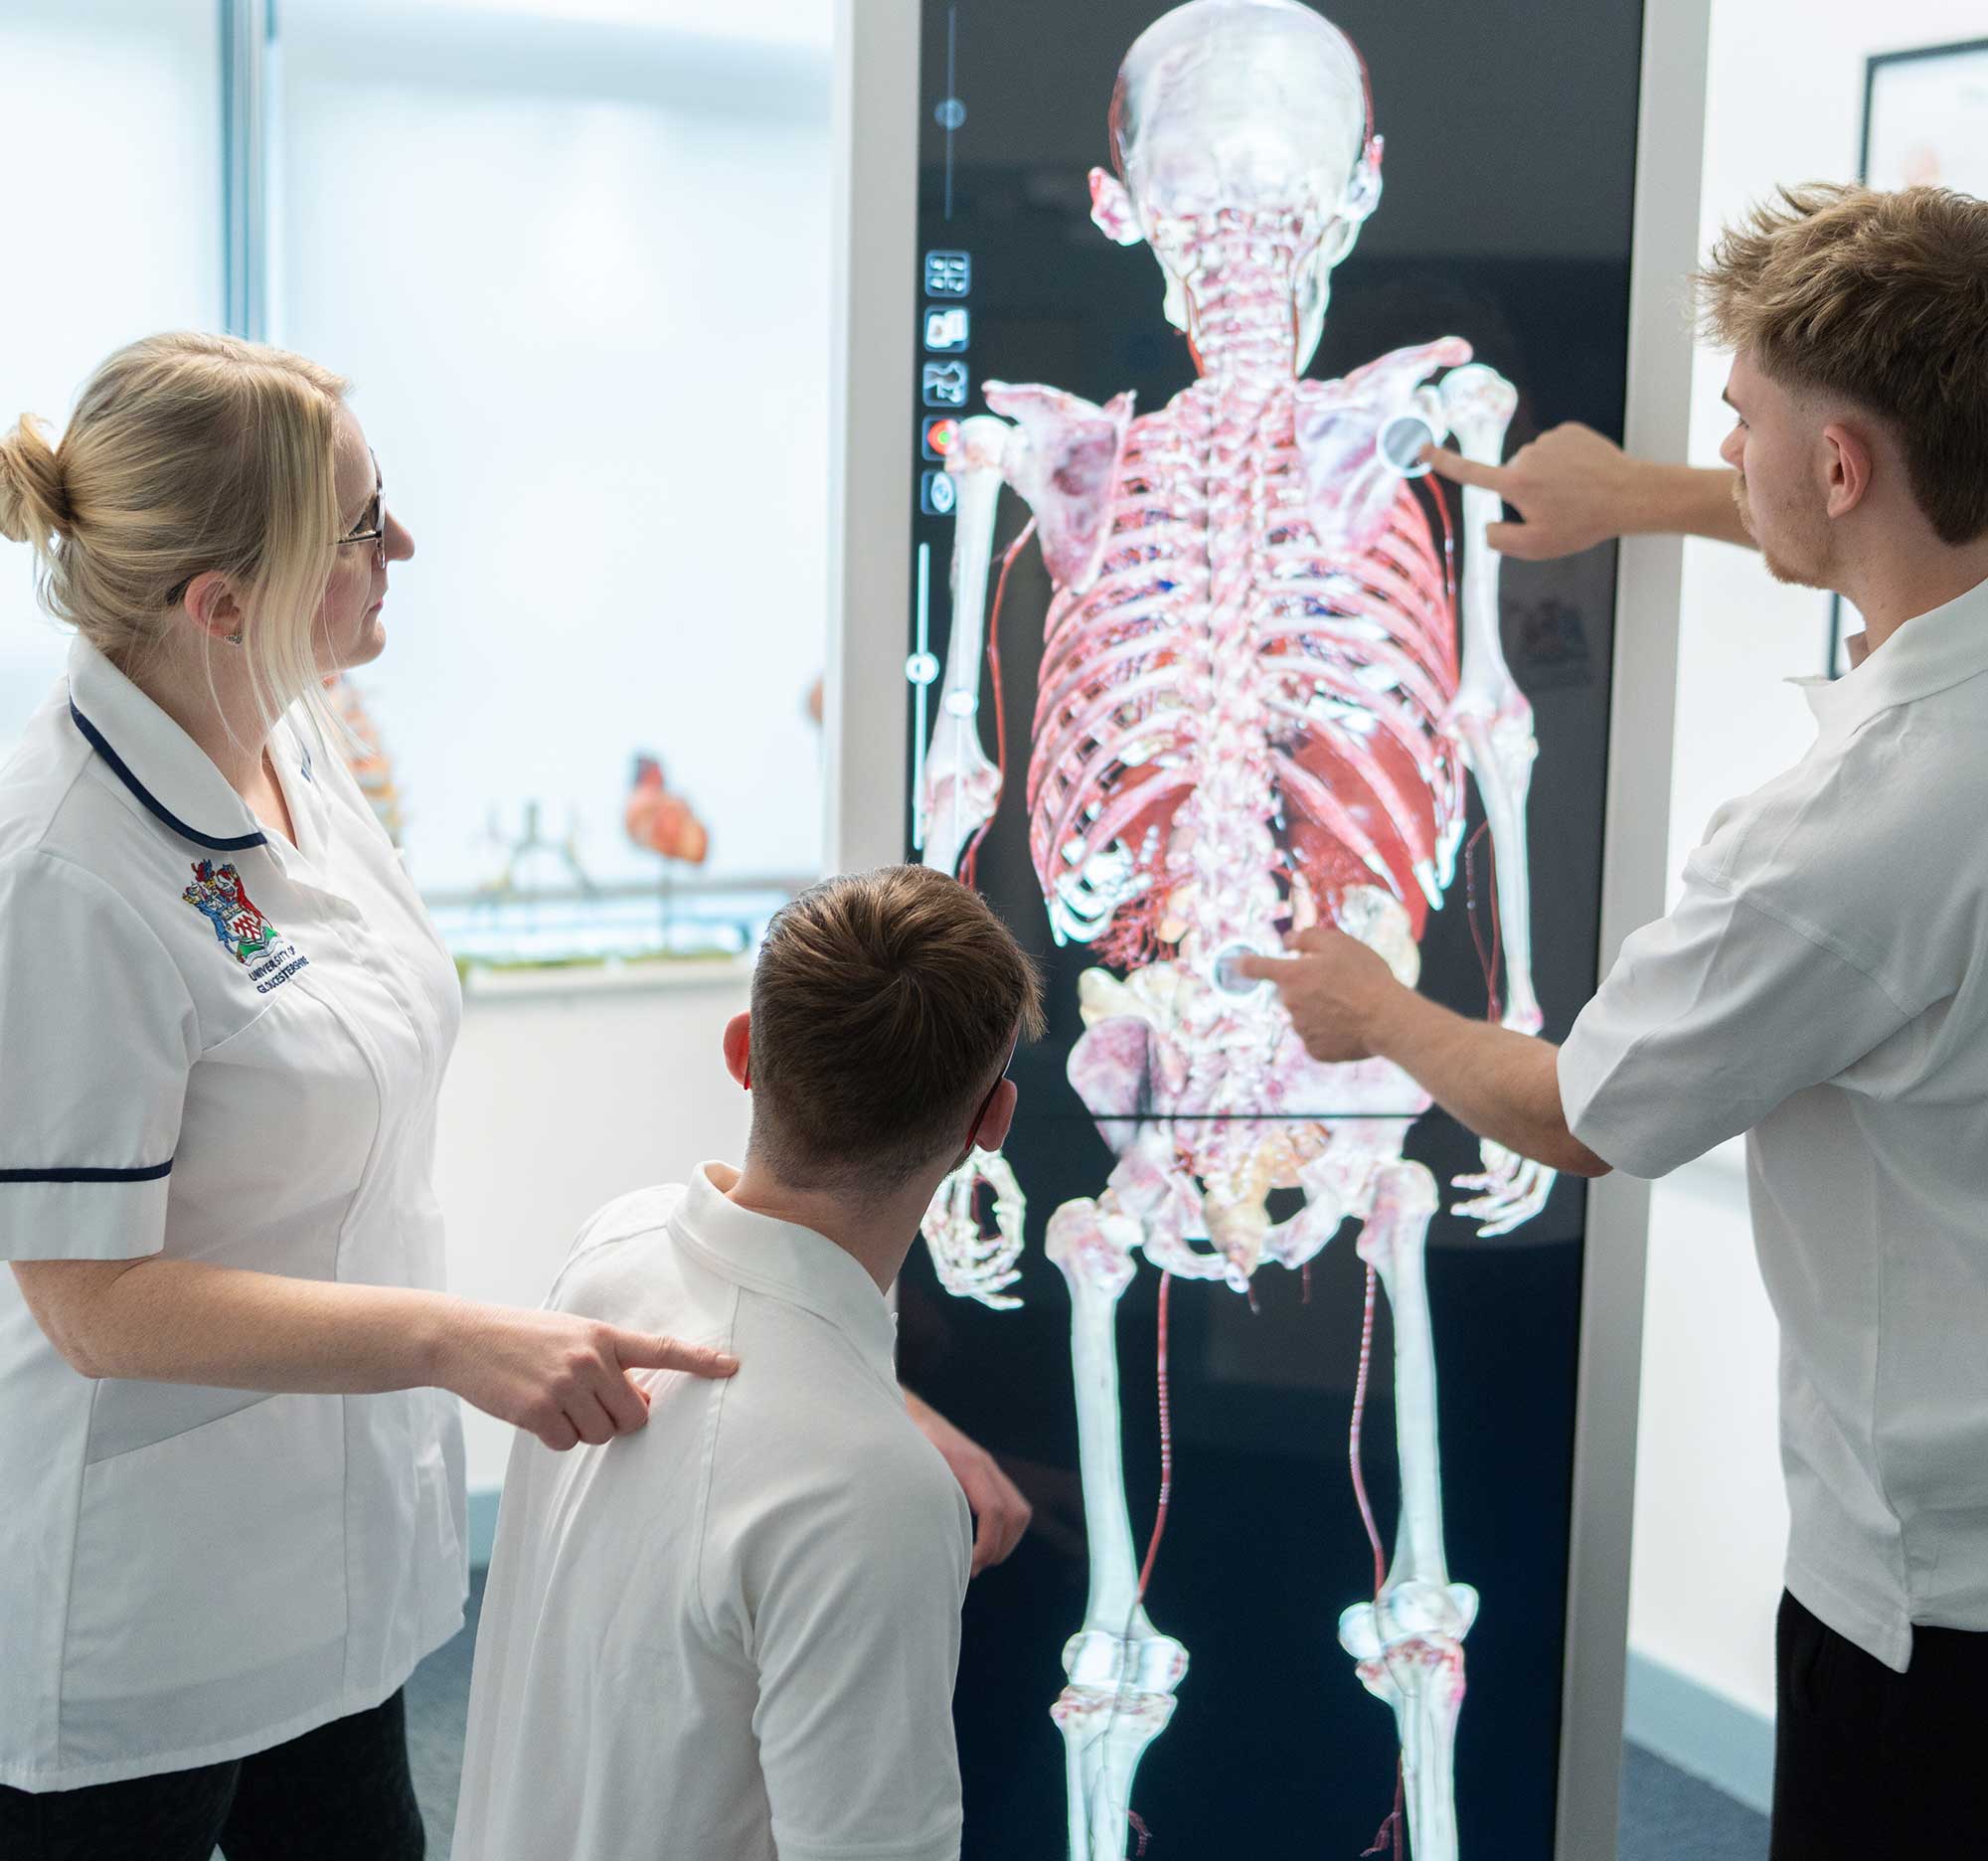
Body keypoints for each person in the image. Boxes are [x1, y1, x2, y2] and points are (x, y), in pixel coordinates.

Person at [0, 335, 1022, 1853]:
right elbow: (93, 1305)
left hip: (335, 1550)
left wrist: (828, 1380)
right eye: (362, 527)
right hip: (141, 1598)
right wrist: (454, 1341)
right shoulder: (61, 874)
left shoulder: (283, 732)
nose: (403, 547)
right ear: (222, 605)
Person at [1244, 182, 1988, 1857]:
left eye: (1741, 420)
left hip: (1939, 1612)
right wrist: (1650, 494)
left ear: (1840, 465)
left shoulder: (1847, 836)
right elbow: (1883, 505)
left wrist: (1377, 1011)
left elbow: (1581, 1114)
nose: (1723, 448)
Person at [452, 864, 1044, 1861]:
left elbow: (756, 1348)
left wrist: (881, 1409)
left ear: (743, 1052)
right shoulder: (874, 1497)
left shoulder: (613, 1247)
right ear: (992, 1121)